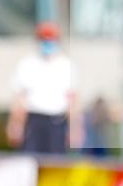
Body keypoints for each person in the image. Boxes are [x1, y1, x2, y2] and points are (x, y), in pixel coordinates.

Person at [7, 22, 80, 154]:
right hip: (34, 121)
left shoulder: (66, 66)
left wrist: (74, 128)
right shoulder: (27, 64)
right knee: (31, 163)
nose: (47, 42)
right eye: (44, 38)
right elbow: (19, 100)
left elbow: (72, 102)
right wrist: (15, 125)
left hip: (56, 122)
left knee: (55, 165)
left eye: (50, 38)